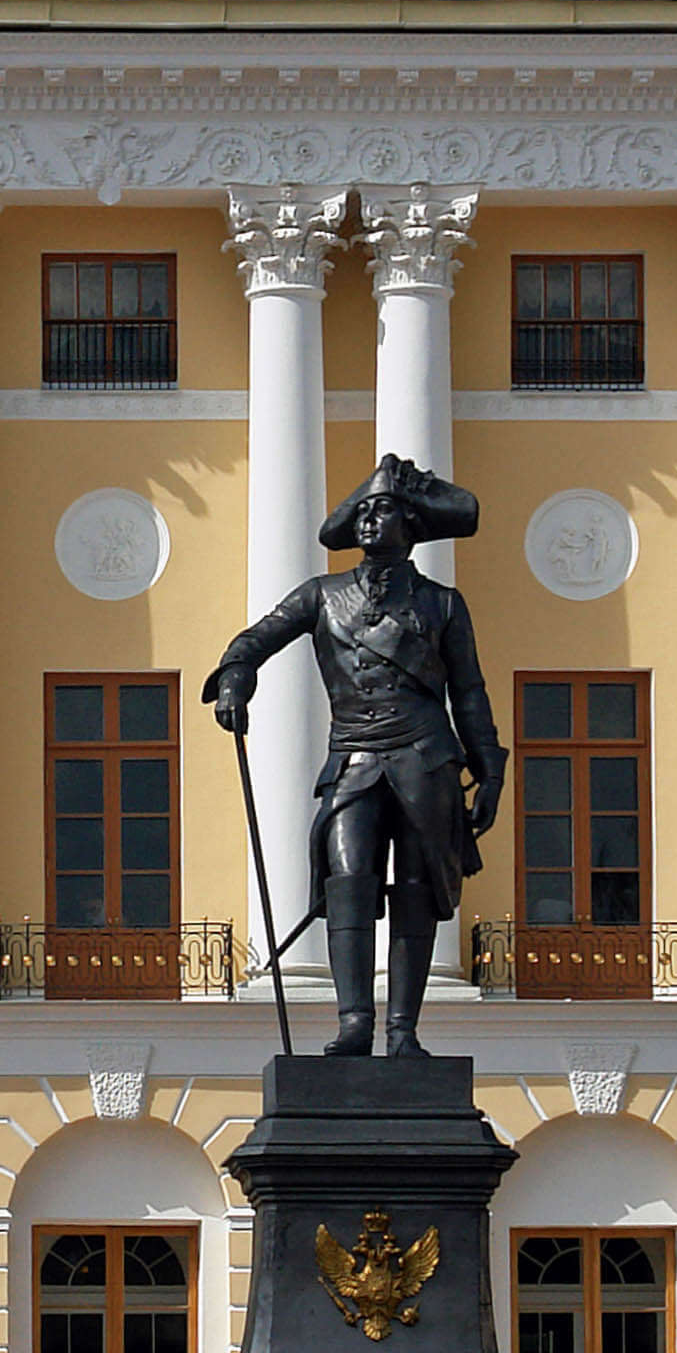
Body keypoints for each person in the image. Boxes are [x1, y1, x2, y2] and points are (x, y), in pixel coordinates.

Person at [202, 454, 502, 1059]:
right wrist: (235, 678)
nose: (368, 520)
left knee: (417, 890)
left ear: (411, 524)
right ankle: (354, 1024)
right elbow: (255, 639)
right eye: (361, 511)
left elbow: (469, 692)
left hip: (425, 759)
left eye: (382, 508)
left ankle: (402, 1033)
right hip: (355, 761)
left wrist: (490, 767)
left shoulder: (443, 605)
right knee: (348, 881)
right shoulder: (323, 596)